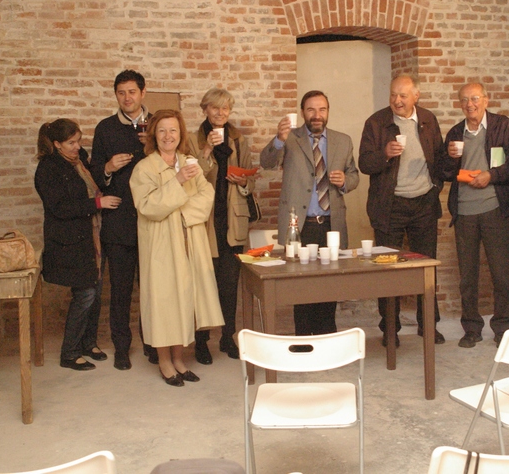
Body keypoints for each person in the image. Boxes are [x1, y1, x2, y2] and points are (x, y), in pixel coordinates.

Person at [130, 109, 224, 387]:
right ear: (153, 135)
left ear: (180, 134)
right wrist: (180, 182)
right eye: (162, 131)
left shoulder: (189, 162)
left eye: (173, 130)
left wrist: (181, 214)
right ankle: (164, 361)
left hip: (188, 242)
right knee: (163, 302)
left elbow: (207, 194)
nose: (168, 136)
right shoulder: (144, 168)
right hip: (160, 245)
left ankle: (180, 359)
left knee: (184, 300)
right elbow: (147, 206)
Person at [260, 90, 359, 335]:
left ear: (327, 112)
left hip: (331, 223)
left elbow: (354, 175)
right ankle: (303, 337)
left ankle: (327, 335)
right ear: (303, 111)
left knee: (329, 283)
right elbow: (267, 162)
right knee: (300, 285)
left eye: (322, 109)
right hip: (299, 225)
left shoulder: (343, 140)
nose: (317, 115)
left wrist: (345, 179)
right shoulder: (290, 138)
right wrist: (278, 140)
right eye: (311, 110)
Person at [359, 75, 445, 347]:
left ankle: (428, 326)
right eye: (393, 95)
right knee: (389, 272)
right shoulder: (376, 122)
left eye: (403, 95)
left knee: (426, 268)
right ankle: (390, 330)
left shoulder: (428, 120)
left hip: (423, 204)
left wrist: (434, 185)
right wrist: (384, 153)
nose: (397, 100)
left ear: (415, 96)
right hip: (390, 206)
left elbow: (439, 157)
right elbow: (364, 163)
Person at [439, 82, 509, 349]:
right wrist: (451, 159)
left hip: (495, 209)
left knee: (500, 273)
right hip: (464, 212)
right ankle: (472, 328)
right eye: (464, 100)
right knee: (468, 275)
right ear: (459, 104)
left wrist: (491, 176)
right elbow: (444, 172)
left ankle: (502, 327)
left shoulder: (503, 126)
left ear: (486, 100)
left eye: (475, 98)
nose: (470, 104)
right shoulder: (455, 132)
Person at [34, 118, 122, 371]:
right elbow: (59, 208)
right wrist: (97, 204)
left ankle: (87, 343)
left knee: (94, 292)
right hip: (70, 242)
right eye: (71, 142)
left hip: (92, 236)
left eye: (78, 140)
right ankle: (69, 353)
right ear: (57, 144)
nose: (77, 146)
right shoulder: (48, 168)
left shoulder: (79, 160)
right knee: (85, 294)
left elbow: (94, 181)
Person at [90, 69, 153, 371]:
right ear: (116, 95)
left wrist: (150, 144)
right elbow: (94, 177)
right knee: (121, 290)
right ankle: (121, 347)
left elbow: (176, 163)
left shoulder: (158, 126)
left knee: (154, 288)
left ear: (143, 93)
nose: (127, 98)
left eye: (132, 92)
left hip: (154, 220)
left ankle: (154, 344)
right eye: (121, 92)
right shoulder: (104, 128)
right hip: (119, 223)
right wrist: (107, 167)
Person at [186, 88, 253, 364]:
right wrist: (207, 149)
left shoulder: (239, 140)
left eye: (225, 109)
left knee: (229, 285)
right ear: (205, 110)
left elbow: (250, 178)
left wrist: (245, 182)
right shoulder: (192, 139)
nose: (220, 113)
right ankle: (202, 342)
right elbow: (192, 178)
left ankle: (228, 337)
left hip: (232, 221)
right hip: (205, 221)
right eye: (215, 108)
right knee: (203, 285)